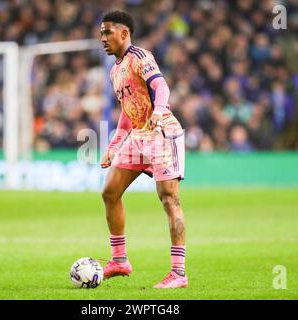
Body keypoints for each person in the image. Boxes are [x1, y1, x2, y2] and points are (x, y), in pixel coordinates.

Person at [99, 11, 187, 289]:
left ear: (124, 33)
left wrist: (159, 111)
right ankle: (120, 260)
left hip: (162, 132)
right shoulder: (115, 70)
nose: (103, 38)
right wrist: (114, 145)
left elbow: (161, 86)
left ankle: (179, 274)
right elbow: (128, 112)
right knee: (110, 192)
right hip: (138, 135)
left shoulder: (140, 56)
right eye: (101, 33)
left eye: (107, 32)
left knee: (169, 199)